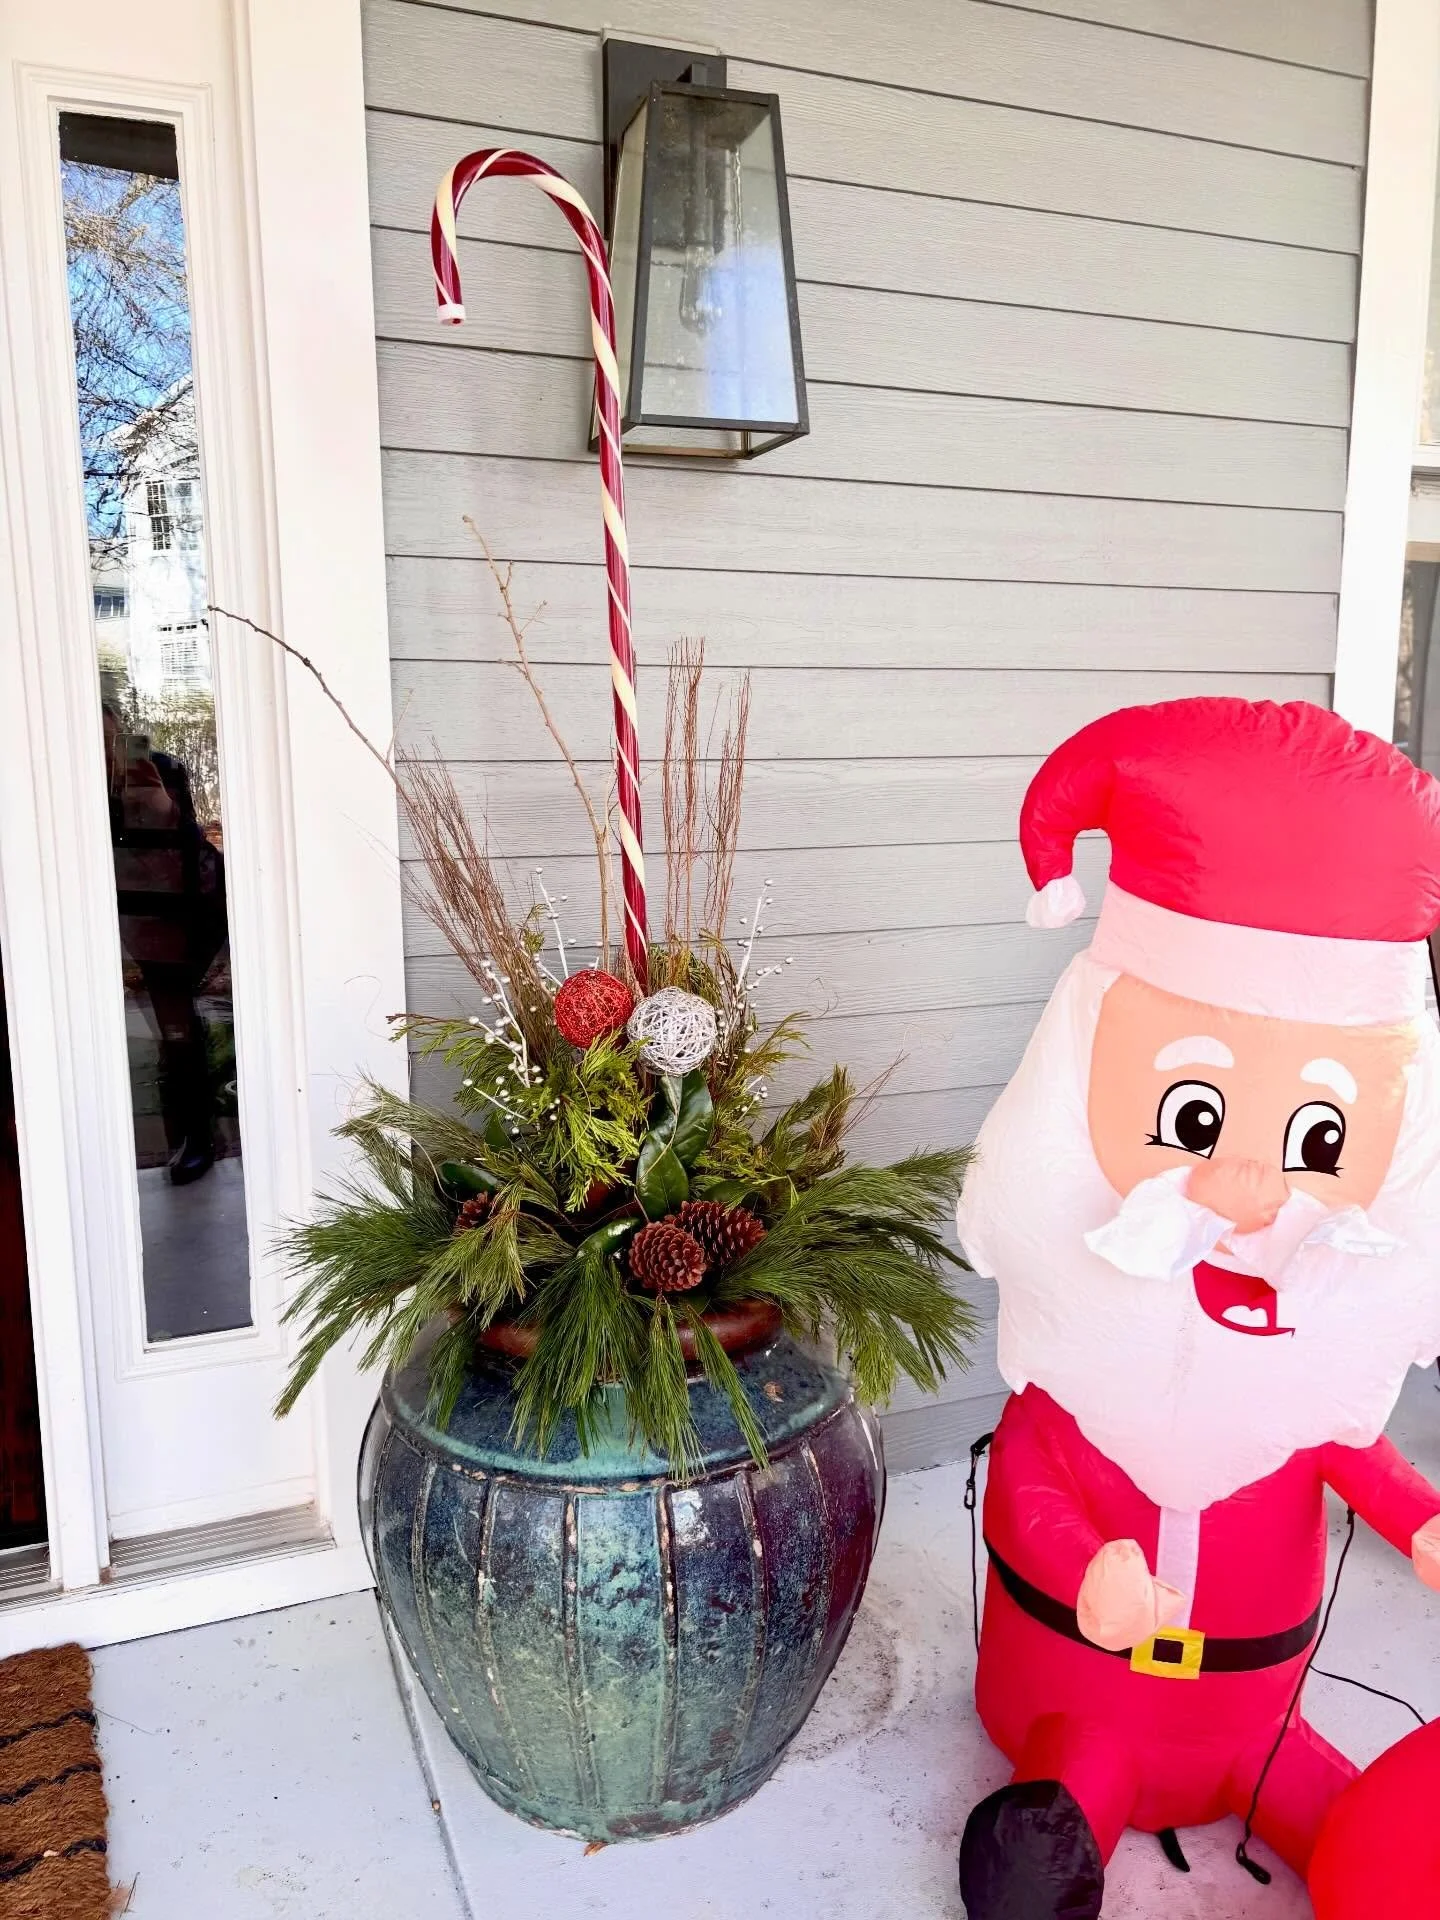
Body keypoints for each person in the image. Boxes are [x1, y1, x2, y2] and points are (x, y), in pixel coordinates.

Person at [954, 699, 1440, 1919]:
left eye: (1317, 1139)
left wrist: (1423, 1522)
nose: (1251, 1191)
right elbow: (1033, 1474)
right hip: (1076, 1701)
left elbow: (1344, 1445)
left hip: (1252, 1717)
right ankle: (1062, 1809)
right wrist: (1087, 1569)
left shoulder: (1308, 1350)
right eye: (1197, 1121)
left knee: (1354, 1837)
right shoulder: (1083, 1363)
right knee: (1048, 1833)